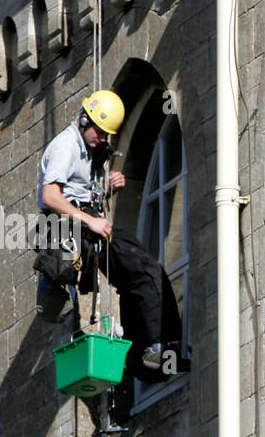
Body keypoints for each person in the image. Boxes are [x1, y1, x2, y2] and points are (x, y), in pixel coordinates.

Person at [33, 89, 183, 385]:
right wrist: (91, 221)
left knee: (143, 272)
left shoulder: (91, 150)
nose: (103, 140)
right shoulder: (66, 146)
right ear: (84, 119)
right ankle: (151, 351)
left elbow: (83, 190)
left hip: (89, 225)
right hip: (73, 229)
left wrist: (109, 186)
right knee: (139, 271)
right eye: (100, 133)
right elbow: (49, 195)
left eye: (106, 135)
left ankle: (152, 354)